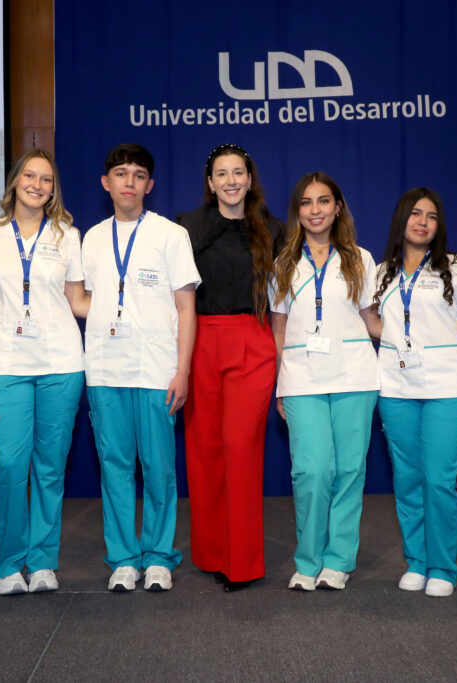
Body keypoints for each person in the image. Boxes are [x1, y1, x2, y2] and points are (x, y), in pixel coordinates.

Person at [0, 149, 89, 595]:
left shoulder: (67, 235)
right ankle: (8, 565)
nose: (38, 185)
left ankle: (42, 563)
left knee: (50, 468)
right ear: (15, 182)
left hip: (61, 363)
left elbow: (77, 301)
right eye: (30, 176)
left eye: (47, 179)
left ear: (54, 189)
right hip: (7, 364)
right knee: (9, 465)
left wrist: (130, 307)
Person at [81, 143, 201, 592]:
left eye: (138, 174)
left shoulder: (171, 235)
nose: (128, 181)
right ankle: (123, 559)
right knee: (114, 467)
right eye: (120, 173)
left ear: (150, 185)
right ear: (105, 182)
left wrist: (182, 370)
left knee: (158, 469)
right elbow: (86, 300)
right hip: (105, 371)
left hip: (156, 371)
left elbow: (186, 309)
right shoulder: (92, 239)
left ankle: (158, 556)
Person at [175, 143, 283, 591]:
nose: (231, 181)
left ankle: (241, 562)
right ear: (210, 182)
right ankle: (212, 553)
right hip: (201, 339)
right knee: (204, 451)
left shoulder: (273, 229)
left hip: (253, 340)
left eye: (238, 172)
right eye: (222, 173)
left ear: (250, 179)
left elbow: (285, 300)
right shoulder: (185, 226)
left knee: (241, 448)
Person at [371, 187, 457, 598]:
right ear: (401, 219)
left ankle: (442, 567)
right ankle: (417, 562)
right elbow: (370, 319)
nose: (423, 222)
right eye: (416, 214)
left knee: (438, 479)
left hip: (448, 386)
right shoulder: (380, 272)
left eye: (432, 216)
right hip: (395, 387)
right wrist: (392, 337)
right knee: (407, 479)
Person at [269, 172, 379, 591]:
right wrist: (280, 384)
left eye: (323, 201)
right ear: (297, 211)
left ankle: (338, 560)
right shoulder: (282, 263)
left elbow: (371, 320)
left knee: (350, 470)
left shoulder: (360, 259)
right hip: (301, 379)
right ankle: (308, 560)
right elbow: (278, 329)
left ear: (338, 207)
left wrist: (418, 334)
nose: (315, 210)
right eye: (306, 202)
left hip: (355, 376)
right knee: (312, 471)